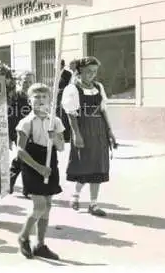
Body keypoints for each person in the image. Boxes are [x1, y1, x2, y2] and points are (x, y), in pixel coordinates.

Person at [61, 57, 117, 217]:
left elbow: (103, 110)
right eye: (88, 72)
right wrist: (76, 134)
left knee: (99, 168)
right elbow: (71, 115)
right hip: (83, 129)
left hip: (99, 130)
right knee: (84, 167)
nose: (92, 75)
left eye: (94, 72)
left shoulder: (98, 87)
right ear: (80, 71)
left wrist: (110, 132)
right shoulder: (72, 89)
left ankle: (93, 204)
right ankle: (75, 195)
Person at [16, 83, 64, 260]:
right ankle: (23, 236)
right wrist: (38, 168)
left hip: (50, 163)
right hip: (32, 164)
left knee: (48, 206)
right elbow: (20, 151)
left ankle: (40, 244)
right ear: (30, 101)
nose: (40, 100)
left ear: (50, 100)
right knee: (40, 206)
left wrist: (55, 137)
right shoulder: (26, 122)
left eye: (44, 97)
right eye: (36, 97)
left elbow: (60, 148)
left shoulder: (55, 121)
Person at [9, 71, 34, 196]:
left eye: (30, 82)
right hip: (19, 132)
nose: (27, 84)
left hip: (32, 132)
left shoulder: (34, 96)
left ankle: (10, 181)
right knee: (24, 158)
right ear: (19, 82)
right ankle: (26, 189)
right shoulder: (15, 97)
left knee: (24, 158)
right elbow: (11, 117)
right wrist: (10, 136)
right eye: (25, 81)